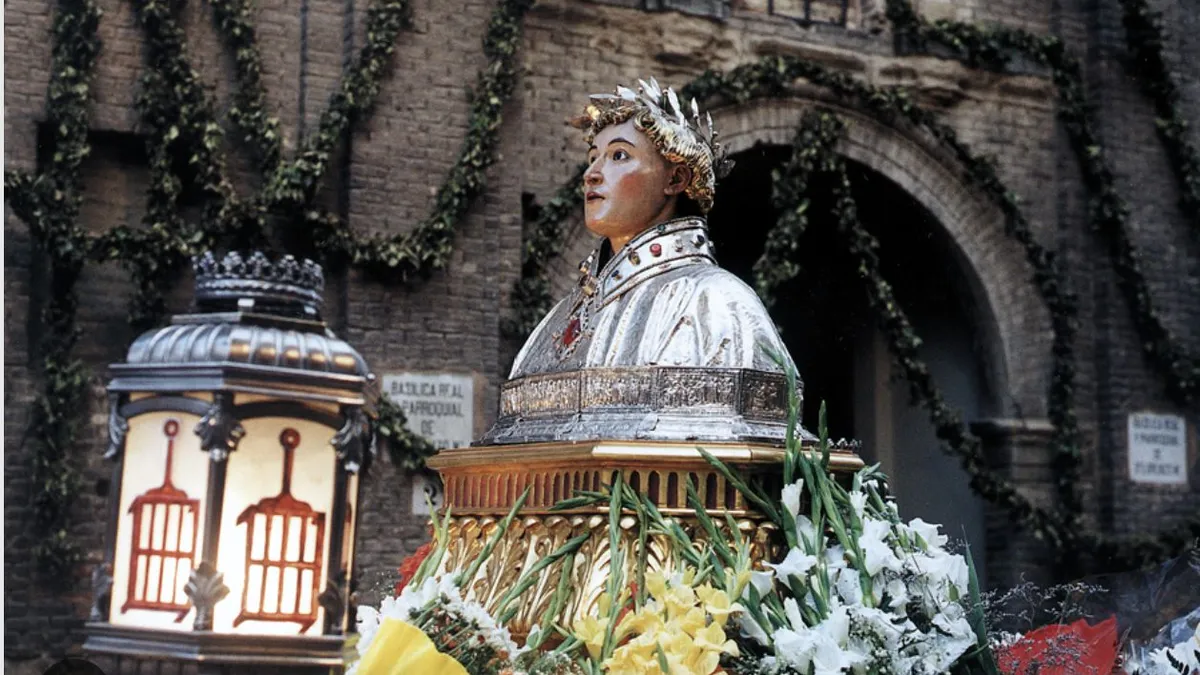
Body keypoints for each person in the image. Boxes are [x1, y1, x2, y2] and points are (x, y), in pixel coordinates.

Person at [509, 78, 795, 379]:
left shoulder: (718, 300)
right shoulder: (560, 316)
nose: (591, 174)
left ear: (676, 179)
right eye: (593, 158)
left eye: (619, 155)